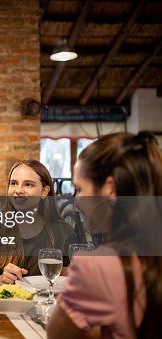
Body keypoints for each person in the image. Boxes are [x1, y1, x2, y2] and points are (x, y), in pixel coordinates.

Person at [48, 132, 162, 339]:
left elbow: (58, 335)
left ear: (110, 189)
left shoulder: (97, 266)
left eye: (79, 189)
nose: (76, 201)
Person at [0, 160, 76, 285]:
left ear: (44, 192)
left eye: (28, 185)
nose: (18, 190)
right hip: (5, 303)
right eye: (14, 183)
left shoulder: (63, 232)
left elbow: (66, 285)